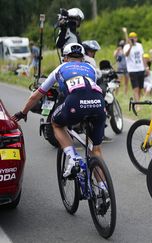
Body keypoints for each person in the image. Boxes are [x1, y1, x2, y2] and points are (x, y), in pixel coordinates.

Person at [11, 43, 106, 180]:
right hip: (98, 104)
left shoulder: (60, 68)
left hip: (75, 103)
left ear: (65, 58)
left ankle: (73, 158)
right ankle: (103, 191)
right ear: (83, 58)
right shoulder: (90, 68)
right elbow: (90, 89)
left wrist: (23, 112)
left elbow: (36, 95)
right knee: (95, 150)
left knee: (56, 123)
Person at [122, 28, 146, 102]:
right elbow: (126, 54)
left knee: (140, 88)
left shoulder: (140, 45)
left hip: (141, 69)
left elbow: (142, 57)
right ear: (129, 39)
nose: (133, 39)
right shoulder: (126, 46)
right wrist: (130, 46)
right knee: (135, 88)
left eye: (134, 37)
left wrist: (146, 67)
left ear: (136, 38)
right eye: (131, 38)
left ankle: (138, 101)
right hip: (132, 70)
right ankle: (137, 104)